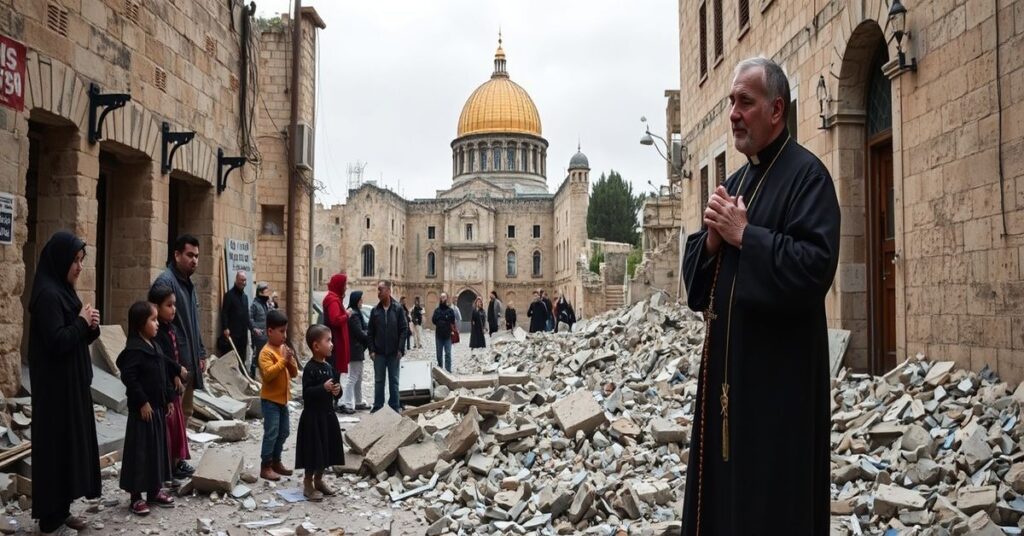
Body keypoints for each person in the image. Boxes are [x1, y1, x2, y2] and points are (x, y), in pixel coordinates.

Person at [680, 57, 840, 536]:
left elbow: (814, 267)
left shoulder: (809, 178)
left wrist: (746, 236)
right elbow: (695, 289)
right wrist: (713, 241)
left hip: (778, 397)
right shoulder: (737, 183)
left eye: (745, 102)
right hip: (727, 387)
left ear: (776, 110)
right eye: (732, 101)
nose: (733, 113)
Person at [27, 231, 101, 535]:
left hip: (71, 388)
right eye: (75, 260)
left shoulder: (64, 291)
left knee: (69, 450)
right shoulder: (47, 295)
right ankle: (50, 520)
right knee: (55, 452)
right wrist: (81, 322)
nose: (79, 267)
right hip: (55, 393)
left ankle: (62, 510)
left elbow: (75, 338)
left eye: (81, 260)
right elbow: (58, 341)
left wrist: (90, 326)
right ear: (60, 260)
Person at [116, 301, 176, 516]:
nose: (157, 323)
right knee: (140, 453)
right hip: (142, 413)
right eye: (153, 319)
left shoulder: (154, 345)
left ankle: (154, 490)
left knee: (156, 452)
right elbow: (129, 378)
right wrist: (142, 401)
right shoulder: (134, 349)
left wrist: (168, 398)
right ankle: (135, 497)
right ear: (140, 323)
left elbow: (162, 375)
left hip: (157, 409)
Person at [151, 234, 206, 420]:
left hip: (189, 361)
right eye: (190, 255)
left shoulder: (188, 284)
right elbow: (158, 329)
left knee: (185, 413)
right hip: (175, 363)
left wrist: (200, 352)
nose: (194, 260)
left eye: (196, 256)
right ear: (176, 255)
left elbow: (193, 322)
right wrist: (171, 366)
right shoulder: (165, 283)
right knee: (172, 417)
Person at [148, 286, 192, 481]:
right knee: (169, 427)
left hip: (174, 386)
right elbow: (162, 358)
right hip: (163, 388)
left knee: (176, 427)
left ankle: (176, 463)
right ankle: (168, 467)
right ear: (156, 307)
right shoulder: (156, 334)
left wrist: (177, 374)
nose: (173, 309)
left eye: (174, 305)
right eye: (169, 305)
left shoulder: (170, 328)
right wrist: (175, 371)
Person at [295, 324, 344, 501]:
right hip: (313, 418)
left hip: (327, 416)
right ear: (316, 346)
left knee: (325, 449)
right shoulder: (310, 368)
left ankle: (319, 480)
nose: (332, 344)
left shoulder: (329, 367)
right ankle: (308, 483)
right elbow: (307, 393)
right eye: (328, 340)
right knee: (313, 451)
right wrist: (323, 388)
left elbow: (336, 391)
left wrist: (337, 391)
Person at [258, 310, 299, 481]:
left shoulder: (283, 349)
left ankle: (276, 461)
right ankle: (265, 466)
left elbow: (294, 373)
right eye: (281, 331)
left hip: (283, 400)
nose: (285, 335)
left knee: (284, 432)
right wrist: (283, 360)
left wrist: (290, 361)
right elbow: (268, 375)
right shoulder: (266, 353)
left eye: (286, 331)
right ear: (270, 331)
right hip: (270, 401)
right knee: (271, 432)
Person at [366, 280, 408, 412]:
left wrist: (400, 349)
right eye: (378, 290)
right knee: (379, 381)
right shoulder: (375, 311)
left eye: (381, 289)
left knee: (394, 380)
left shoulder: (398, 309)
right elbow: (370, 332)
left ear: (389, 291)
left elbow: (404, 329)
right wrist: (371, 350)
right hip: (379, 353)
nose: (378, 292)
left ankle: (394, 406)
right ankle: (378, 406)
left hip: (394, 352)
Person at [341, 291, 370, 413]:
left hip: (357, 349)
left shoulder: (356, 313)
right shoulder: (354, 315)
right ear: (356, 301)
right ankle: (347, 403)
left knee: (358, 377)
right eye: (360, 299)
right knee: (353, 377)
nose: (362, 302)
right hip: (355, 349)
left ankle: (358, 401)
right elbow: (359, 333)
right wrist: (369, 335)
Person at [219, 271, 252, 364]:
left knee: (242, 359)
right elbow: (224, 313)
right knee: (232, 360)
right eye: (241, 280)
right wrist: (225, 328)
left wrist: (252, 328)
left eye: (245, 280)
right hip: (233, 335)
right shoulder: (229, 295)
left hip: (243, 336)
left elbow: (246, 315)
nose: (244, 282)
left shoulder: (245, 297)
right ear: (236, 280)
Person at [322, 274, 350, 379]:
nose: (346, 287)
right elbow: (335, 320)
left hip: (334, 342)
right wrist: (347, 315)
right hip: (334, 343)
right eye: (344, 285)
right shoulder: (333, 300)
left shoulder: (334, 298)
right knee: (334, 376)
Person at [250, 282, 272, 377]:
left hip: (266, 334)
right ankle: (254, 374)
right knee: (258, 354)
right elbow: (250, 318)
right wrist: (254, 328)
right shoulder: (255, 305)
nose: (268, 294)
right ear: (260, 293)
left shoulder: (266, 304)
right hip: (258, 335)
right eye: (266, 292)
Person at [431, 292, 456, 372]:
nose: (443, 299)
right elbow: (434, 320)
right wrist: (443, 320)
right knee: (439, 354)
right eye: (442, 297)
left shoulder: (450, 311)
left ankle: (448, 370)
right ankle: (440, 370)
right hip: (439, 335)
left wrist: (442, 319)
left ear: (447, 299)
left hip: (447, 335)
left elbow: (452, 320)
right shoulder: (437, 310)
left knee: (448, 353)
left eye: (444, 297)